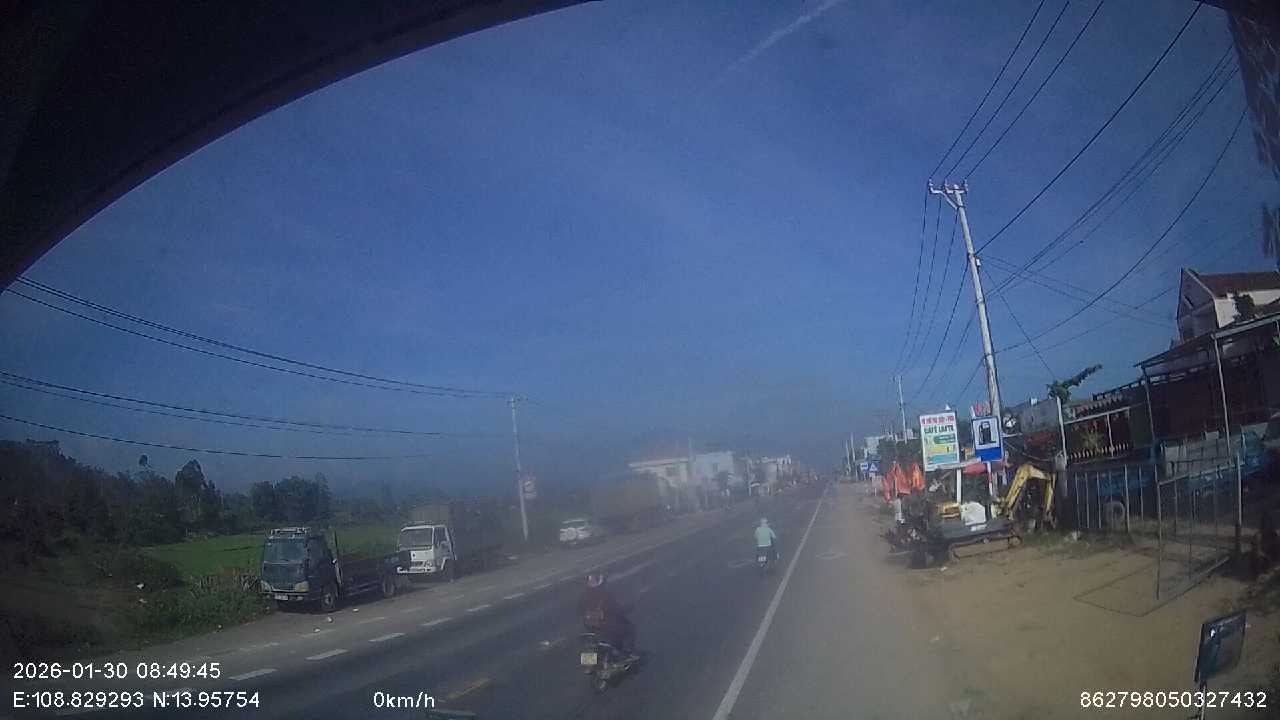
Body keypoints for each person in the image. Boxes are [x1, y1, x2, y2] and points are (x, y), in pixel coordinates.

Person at [580, 573, 637, 659]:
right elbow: (617, 609)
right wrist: (629, 607)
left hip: (591, 627)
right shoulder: (604, 595)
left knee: (593, 643)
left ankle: (594, 659)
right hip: (605, 625)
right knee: (630, 629)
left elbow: (580, 611)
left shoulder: (583, 596)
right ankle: (627, 654)